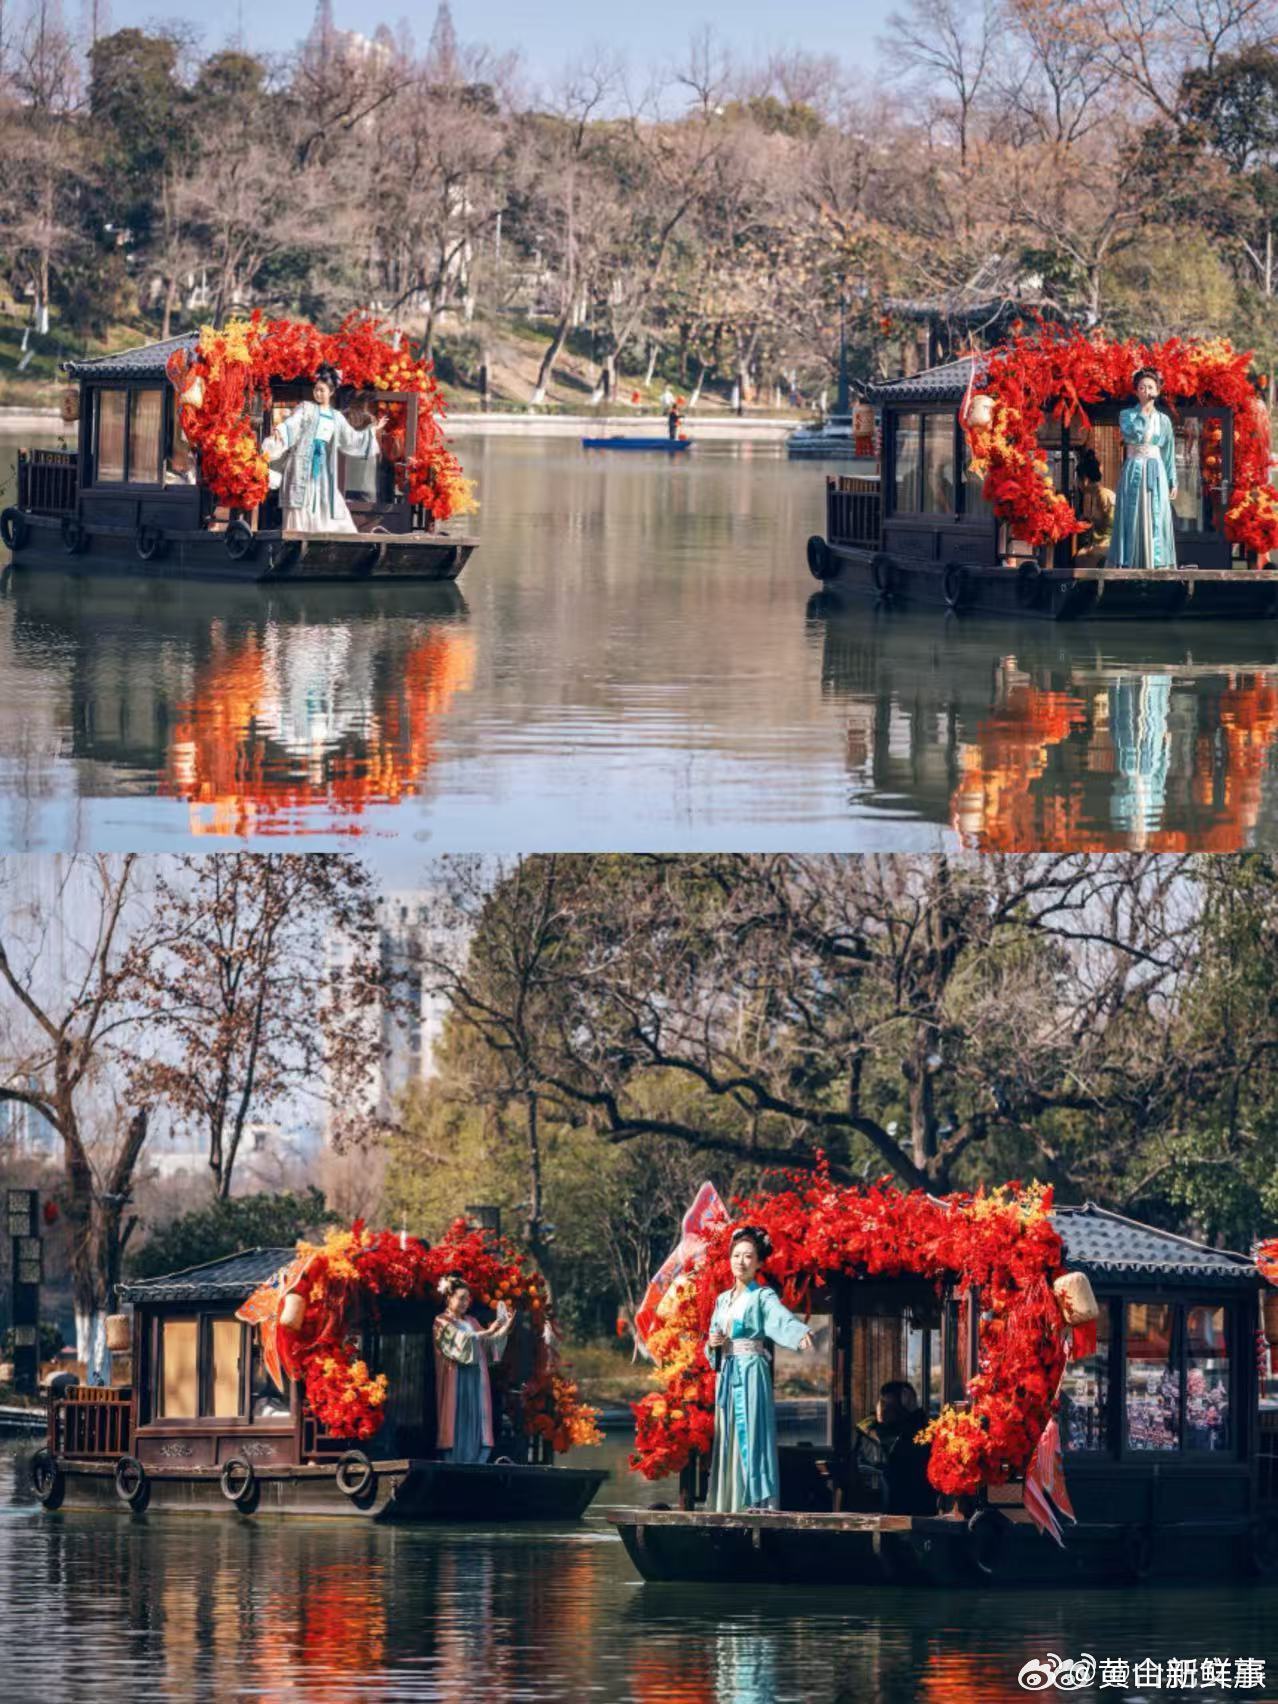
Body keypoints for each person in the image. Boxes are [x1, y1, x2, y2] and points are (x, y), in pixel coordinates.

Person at [705, 1225, 814, 1512]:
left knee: (752, 1432)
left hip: (751, 1371)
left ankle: (756, 1502)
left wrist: (798, 1332)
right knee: (727, 1433)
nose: (740, 1262)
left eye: (748, 1256)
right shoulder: (722, 1299)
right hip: (727, 1372)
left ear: (759, 1263)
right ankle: (727, 1504)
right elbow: (713, 1337)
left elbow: (780, 1318)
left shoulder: (762, 1296)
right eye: (736, 1255)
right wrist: (713, 1343)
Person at [260, 363, 386, 535]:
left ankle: (328, 542)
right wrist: (281, 431)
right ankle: (297, 541)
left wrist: (372, 431)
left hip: (324, 467)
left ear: (331, 392)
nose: (317, 393)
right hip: (300, 464)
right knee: (301, 505)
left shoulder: (336, 417)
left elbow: (351, 438)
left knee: (328, 500)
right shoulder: (306, 408)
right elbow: (292, 424)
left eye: (322, 390)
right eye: (316, 389)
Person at [433, 1274, 512, 1464]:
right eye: (461, 1298)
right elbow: (458, 1340)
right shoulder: (441, 1321)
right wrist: (487, 1332)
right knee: (458, 1416)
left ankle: (477, 1458)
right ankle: (455, 1459)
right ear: (449, 1298)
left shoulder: (472, 1322)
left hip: (476, 1378)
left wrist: (503, 1329)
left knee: (476, 1416)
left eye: (467, 1299)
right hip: (457, 1378)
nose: (465, 1303)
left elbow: (487, 1343)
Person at [1107, 367, 1178, 569]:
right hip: (1134, 468)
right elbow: (1135, 433)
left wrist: (1172, 480)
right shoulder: (1127, 416)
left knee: (1157, 513)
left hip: (1156, 471)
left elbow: (1168, 451)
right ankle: (1129, 563)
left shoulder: (1164, 420)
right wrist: (1145, 411)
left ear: (1158, 391)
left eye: (1150, 387)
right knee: (1132, 511)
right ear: (1136, 391)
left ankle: (1157, 563)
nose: (1146, 391)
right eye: (1142, 387)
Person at [856, 1379, 933, 1513]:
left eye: (889, 1405)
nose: (883, 1409)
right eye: (882, 1403)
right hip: (874, 1504)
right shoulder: (871, 1430)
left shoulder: (919, 1432)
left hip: (909, 1507)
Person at [1074, 447, 1115, 560]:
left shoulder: (1104, 495)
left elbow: (1112, 526)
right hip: (1099, 544)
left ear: (1085, 480)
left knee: (1080, 558)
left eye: (1077, 480)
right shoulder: (1096, 495)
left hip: (1108, 545)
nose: (1077, 483)